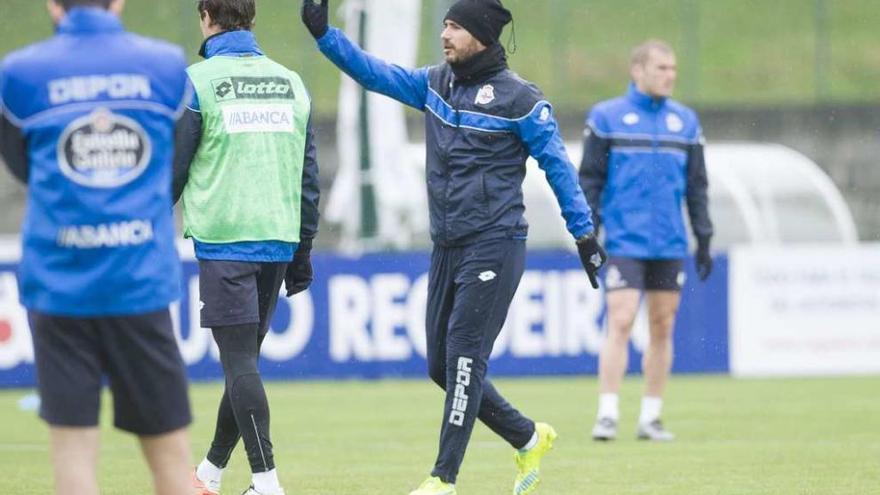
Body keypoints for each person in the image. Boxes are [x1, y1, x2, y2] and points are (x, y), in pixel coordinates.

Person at [301, 1, 606, 494]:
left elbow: (558, 166)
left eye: (456, 26)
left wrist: (584, 234)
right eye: (444, 24)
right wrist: (324, 36)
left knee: (464, 357)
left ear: (482, 35)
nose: (445, 34)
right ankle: (528, 436)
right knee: (440, 367)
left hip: (495, 245)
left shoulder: (520, 99)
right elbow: (375, 74)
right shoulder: (434, 83)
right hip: (447, 247)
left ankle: (443, 479)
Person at [0, 1, 193, 494]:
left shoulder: (18, 74)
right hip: (139, 282)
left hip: (60, 285)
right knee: (171, 458)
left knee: (73, 452)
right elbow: (167, 156)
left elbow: (25, 167)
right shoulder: (167, 65)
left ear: (52, 4)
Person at [177, 1, 320, 494]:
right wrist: (303, 251)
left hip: (226, 241)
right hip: (277, 241)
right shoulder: (292, 82)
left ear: (205, 17)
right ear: (252, 18)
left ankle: (267, 484)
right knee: (245, 367)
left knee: (239, 366)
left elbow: (173, 171)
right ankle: (209, 474)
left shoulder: (197, 82)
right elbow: (308, 179)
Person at [579, 39, 714, 442]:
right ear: (637, 71)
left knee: (662, 325)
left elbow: (697, 187)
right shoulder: (606, 118)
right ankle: (607, 413)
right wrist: (589, 234)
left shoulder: (685, 123)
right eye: (661, 68)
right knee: (620, 319)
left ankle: (650, 417)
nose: (669, 75)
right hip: (623, 241)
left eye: (673, 68)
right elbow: (590, 181)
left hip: (669, 243)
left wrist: (703, 235)